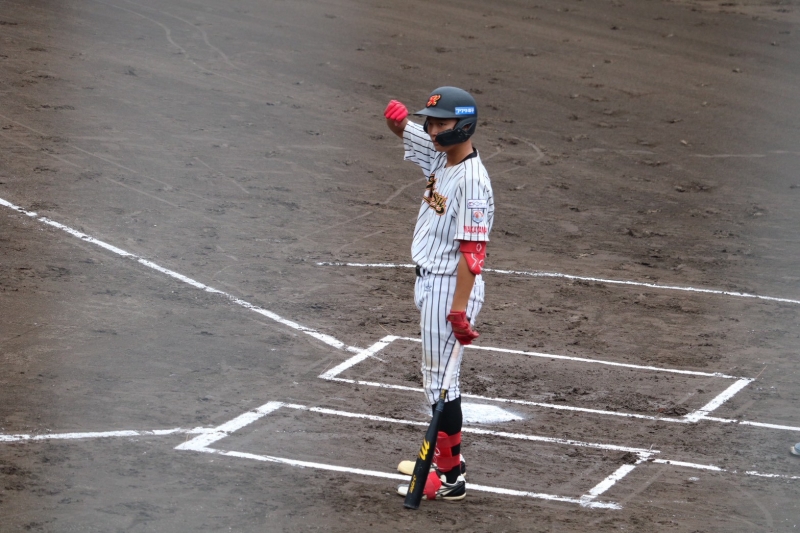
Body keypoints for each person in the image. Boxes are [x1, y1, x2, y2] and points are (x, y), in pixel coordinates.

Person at [384, 87, 494, 501]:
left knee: (440, 385)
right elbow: (409, 134)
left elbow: (473, 250)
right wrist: (397, 124)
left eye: (441, 123)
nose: (432, 130)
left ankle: (449, 478)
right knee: (439, 382)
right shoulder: (443, 156)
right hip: (432, 282)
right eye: (430, 122)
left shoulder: (472, 182)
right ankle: (449, 466)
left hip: (450, 287)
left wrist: (459, 310)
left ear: (463, 125)